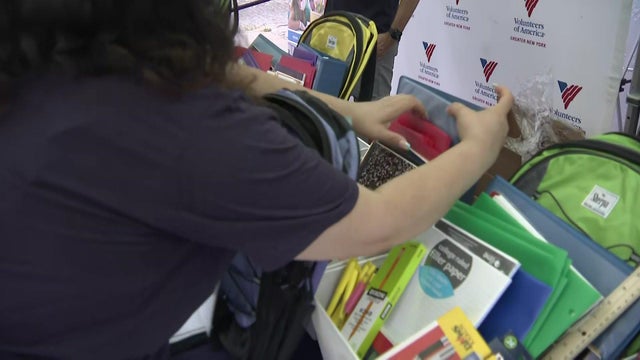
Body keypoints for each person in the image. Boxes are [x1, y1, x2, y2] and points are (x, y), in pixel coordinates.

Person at [0, 0, 513, 359]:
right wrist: (477, 149)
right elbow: (376, 221)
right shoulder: (178, 123)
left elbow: (234, 73)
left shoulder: (60, 52)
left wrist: (352, 111)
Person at [325, 0, 422, 100]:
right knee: (322, 107)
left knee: (372, 110)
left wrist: (392, 35)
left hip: (375, 40)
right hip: (332, 30)